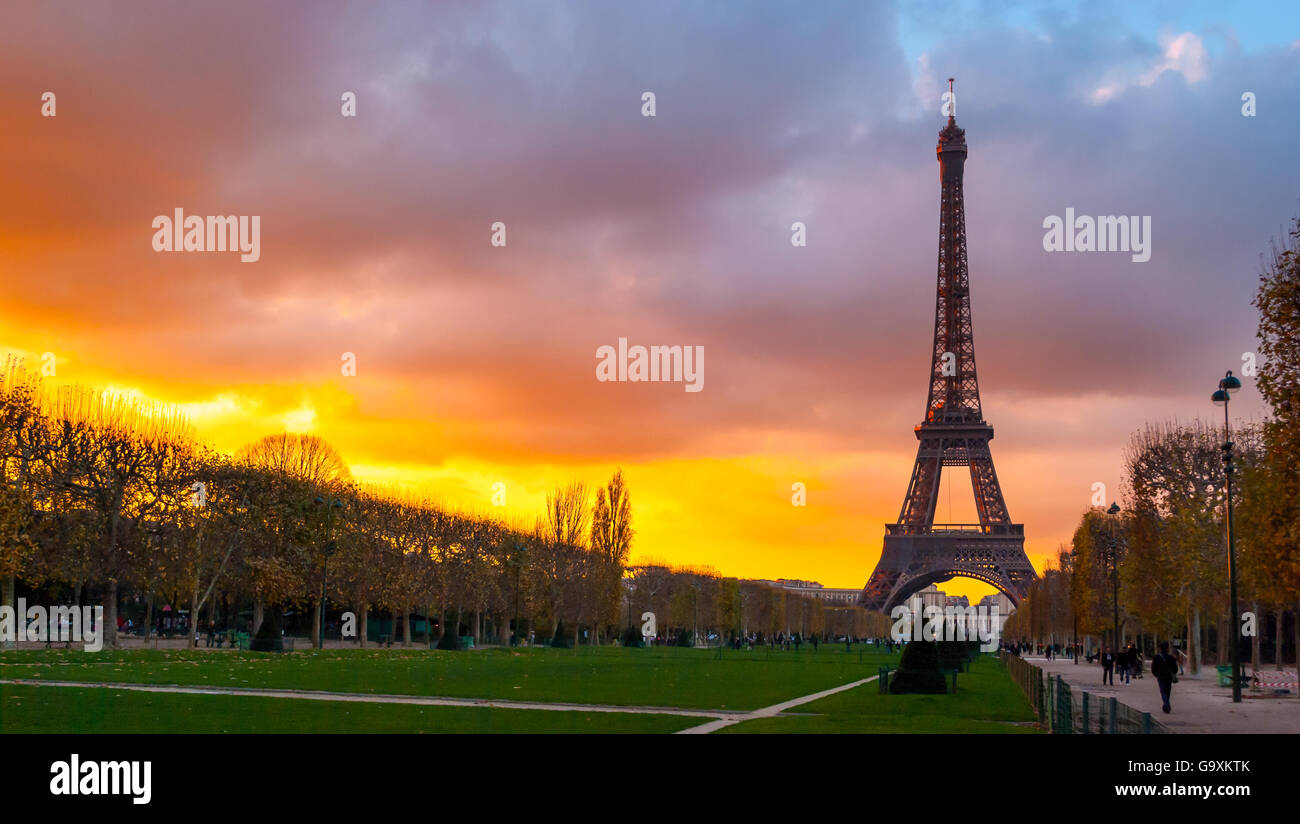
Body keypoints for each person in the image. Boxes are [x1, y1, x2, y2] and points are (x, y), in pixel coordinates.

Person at [1151, 641, 1178, 713]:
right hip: (1169, 677)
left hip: (1160, 677)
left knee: (1163, 691)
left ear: (1160, 649)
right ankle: (1166, 705)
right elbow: (1175, 669)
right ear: (1167, 649)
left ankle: (1166, 705)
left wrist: (1156, 675)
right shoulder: (1172, 658)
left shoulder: (1156, 657)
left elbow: (1153, 669)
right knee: (1168, 691)